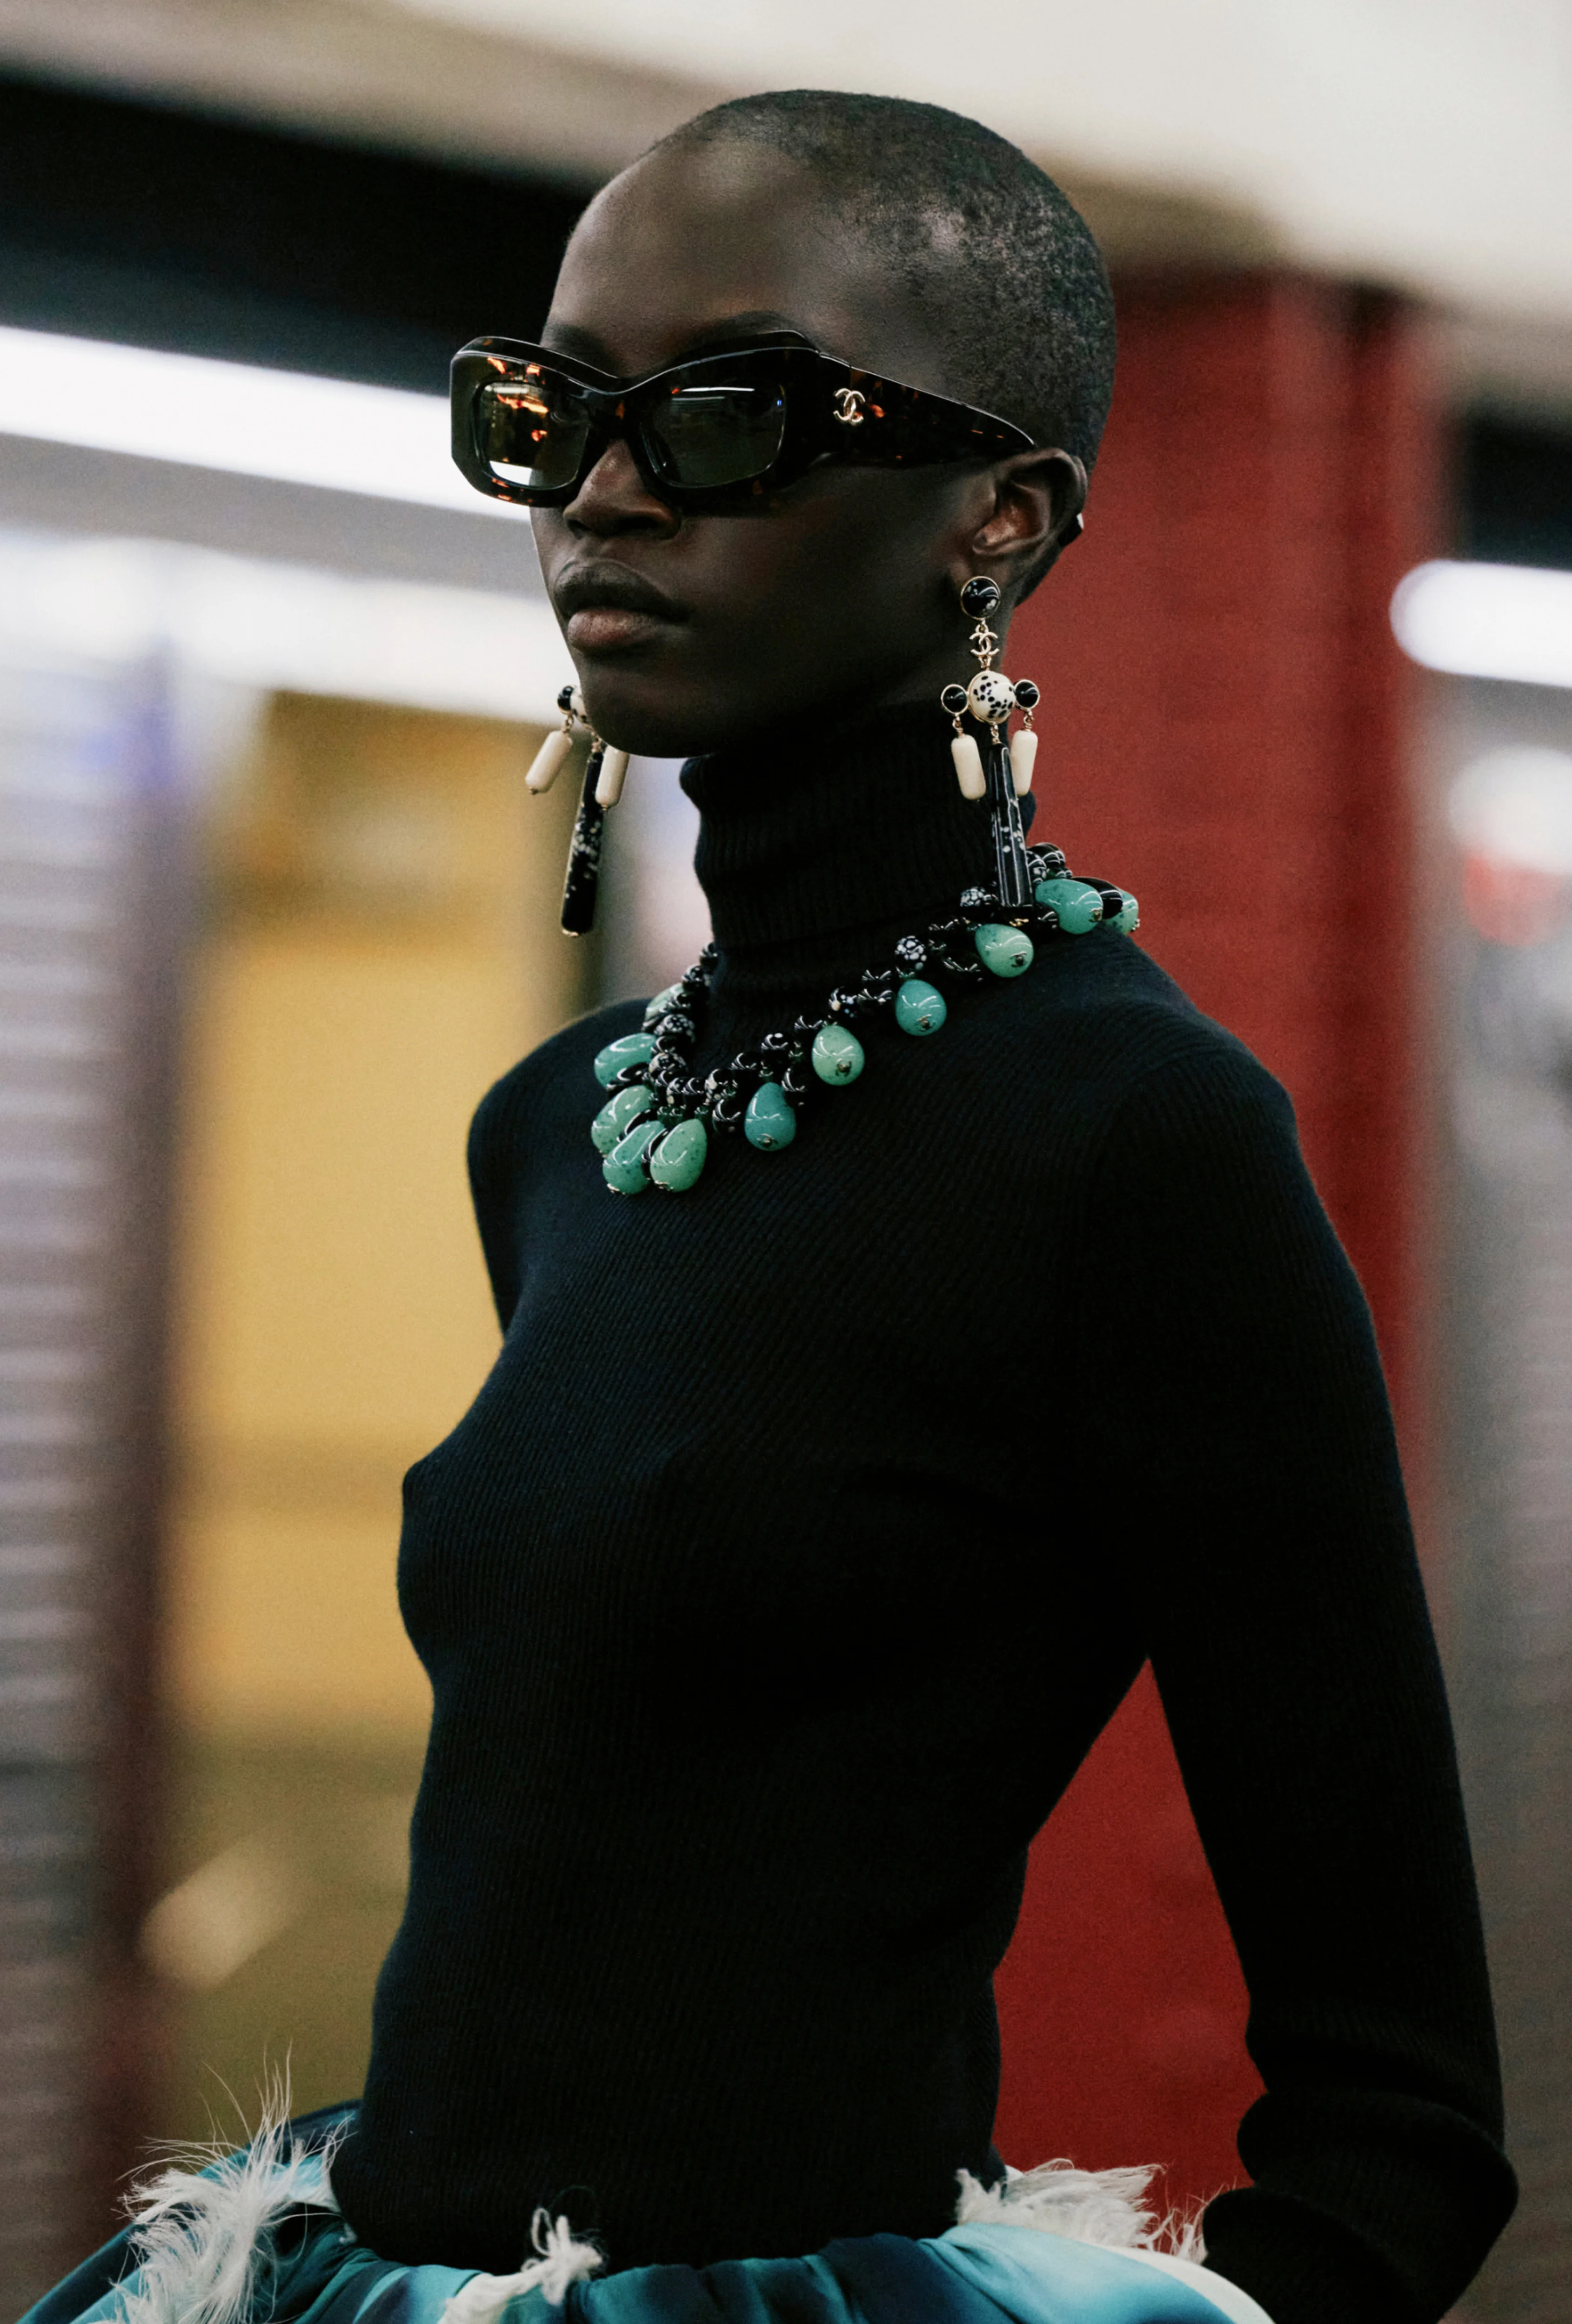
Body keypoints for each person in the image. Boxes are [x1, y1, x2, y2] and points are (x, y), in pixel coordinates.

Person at [27, 89, 1514, 2324]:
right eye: (552, 414)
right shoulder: (556, 1128)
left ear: (995, 519)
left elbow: (1399, 2111)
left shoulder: (1130, 1135)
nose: (608, 494)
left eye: (727, 419)